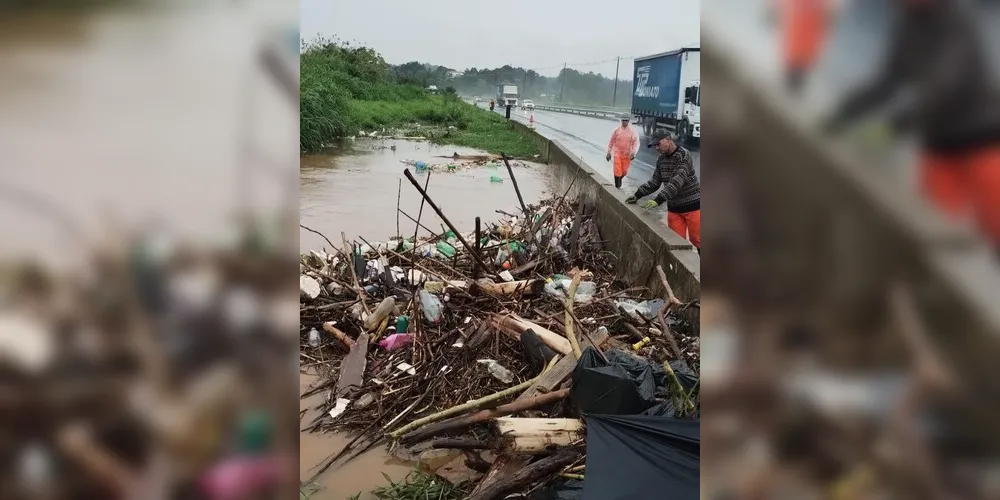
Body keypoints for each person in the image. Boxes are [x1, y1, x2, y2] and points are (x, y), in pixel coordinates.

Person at [824, 0, 1000, 256]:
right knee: (939, 233)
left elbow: (942, 87)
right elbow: (888, 80)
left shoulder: (958, 25)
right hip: (938, 146)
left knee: (996, 227)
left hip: (982, 144)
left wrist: (894, 127)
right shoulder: (908, 24)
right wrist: (843, 114)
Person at [626, 133, 701, 249]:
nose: (656, 148)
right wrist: (637, 194)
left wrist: (658, 200)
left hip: (693, 206)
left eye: (658, 144)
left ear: (668, 139)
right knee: (676, 243)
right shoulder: (661, 160)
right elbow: (654, 182)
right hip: (674, 208)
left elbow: (677, 181)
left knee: (698, 240)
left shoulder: (683, 155)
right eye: (655, 145)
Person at [771, 0, 834, 94]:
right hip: (810, 10)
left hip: (808, 10)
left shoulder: (799, 55)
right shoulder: (798, 55)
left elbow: (822, 27)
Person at [606, 113, 639, 189]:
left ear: (628, 121)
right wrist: (609, 152)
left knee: (624, 171)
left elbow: (636, 143)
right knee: (617, 170)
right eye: (623, 120)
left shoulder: (632, 132)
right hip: (617, 153)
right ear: (621, 121)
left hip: (627, 155)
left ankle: (619, 180)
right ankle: (617, 186)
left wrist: (633, 153)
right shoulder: (616, 130)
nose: (625, 122)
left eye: (626, 121)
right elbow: (611, 142)